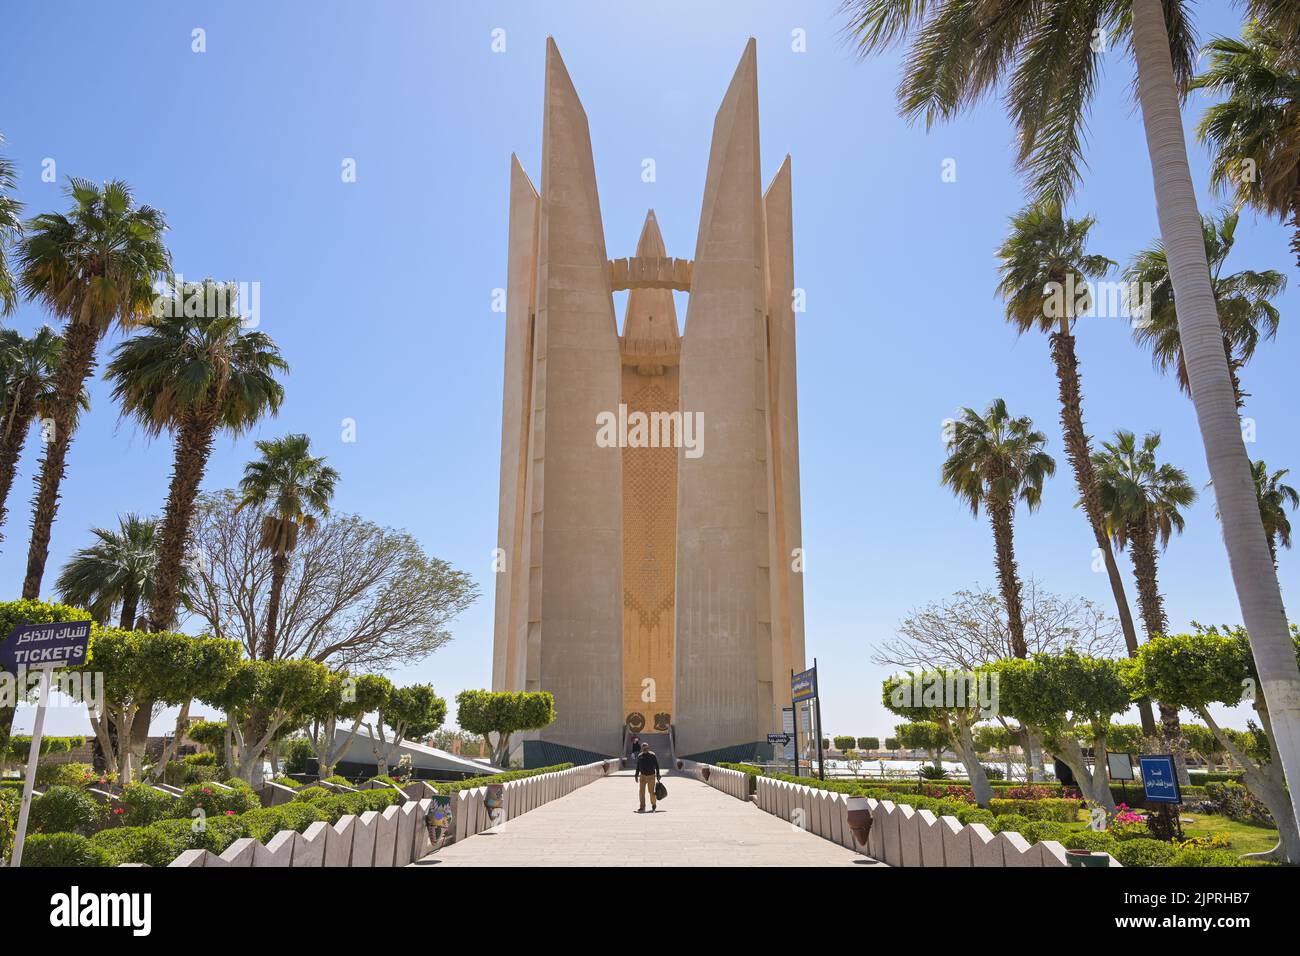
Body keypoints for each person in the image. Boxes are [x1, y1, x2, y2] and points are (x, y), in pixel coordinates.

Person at [634, 742, 660, 812]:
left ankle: (653, 804)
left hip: (651, 776)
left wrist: (658, 775)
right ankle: (642, 807)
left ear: (648, 748)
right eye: (643, 748)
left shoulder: (652, 755)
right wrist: (636, 775)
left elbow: (657, 766)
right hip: (642, 776)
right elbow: (638, 766)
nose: (645, 749)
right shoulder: (640, 756)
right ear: (641, 749)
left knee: (651, 792)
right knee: (641, 792)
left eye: (646, 748)